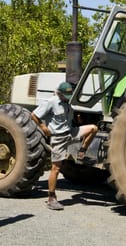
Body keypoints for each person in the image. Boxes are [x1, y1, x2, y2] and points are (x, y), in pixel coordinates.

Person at [31, 81, 98, 211]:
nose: (68, 97)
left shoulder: (68, 102)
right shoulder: (51, 102)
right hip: (59, 138)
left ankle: (81, 152)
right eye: (66, 95)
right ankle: (51, 198)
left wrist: (77, 119)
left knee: (93, 129)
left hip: (71, 132)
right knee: (56, 168)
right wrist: (44, 128)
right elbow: (34, 115)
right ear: (60, 93)